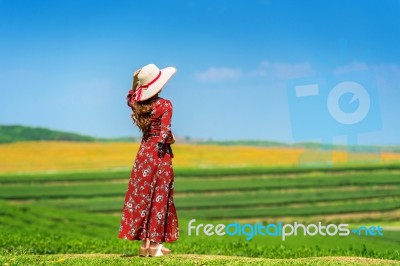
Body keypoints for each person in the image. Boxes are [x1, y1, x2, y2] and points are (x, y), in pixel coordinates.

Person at [118, 63, 179, 257]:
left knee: (144, 196)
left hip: (143, 154)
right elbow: (164, 134)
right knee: (160, 197)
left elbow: (130, 97)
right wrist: (171, 139)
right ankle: (154, 246)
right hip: (159, 155)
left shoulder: (139, 104)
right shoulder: (165, 104)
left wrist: (135, 81)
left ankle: (145, 246)